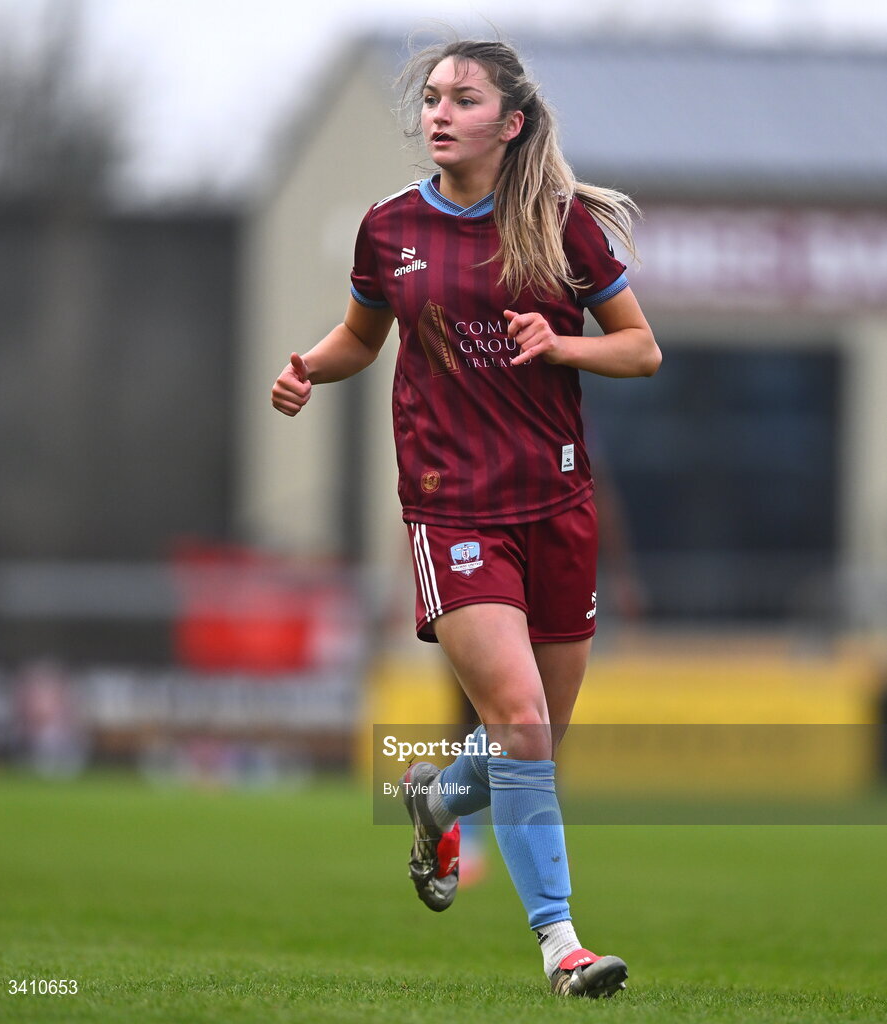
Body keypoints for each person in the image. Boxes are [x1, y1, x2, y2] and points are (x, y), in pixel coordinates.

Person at [272, 37, 661, 999]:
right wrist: (310, 369)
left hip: (559, 507)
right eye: (433, 97)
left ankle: (436, 797)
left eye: (462, 99)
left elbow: (641, 350)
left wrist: (562, 343)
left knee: (534, 738)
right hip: (452, 512)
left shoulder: (562, 228)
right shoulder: (389, 226)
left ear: (510, 123)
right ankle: (561, 947)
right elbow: (363, 336)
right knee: (523, 726)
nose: (438, 113)